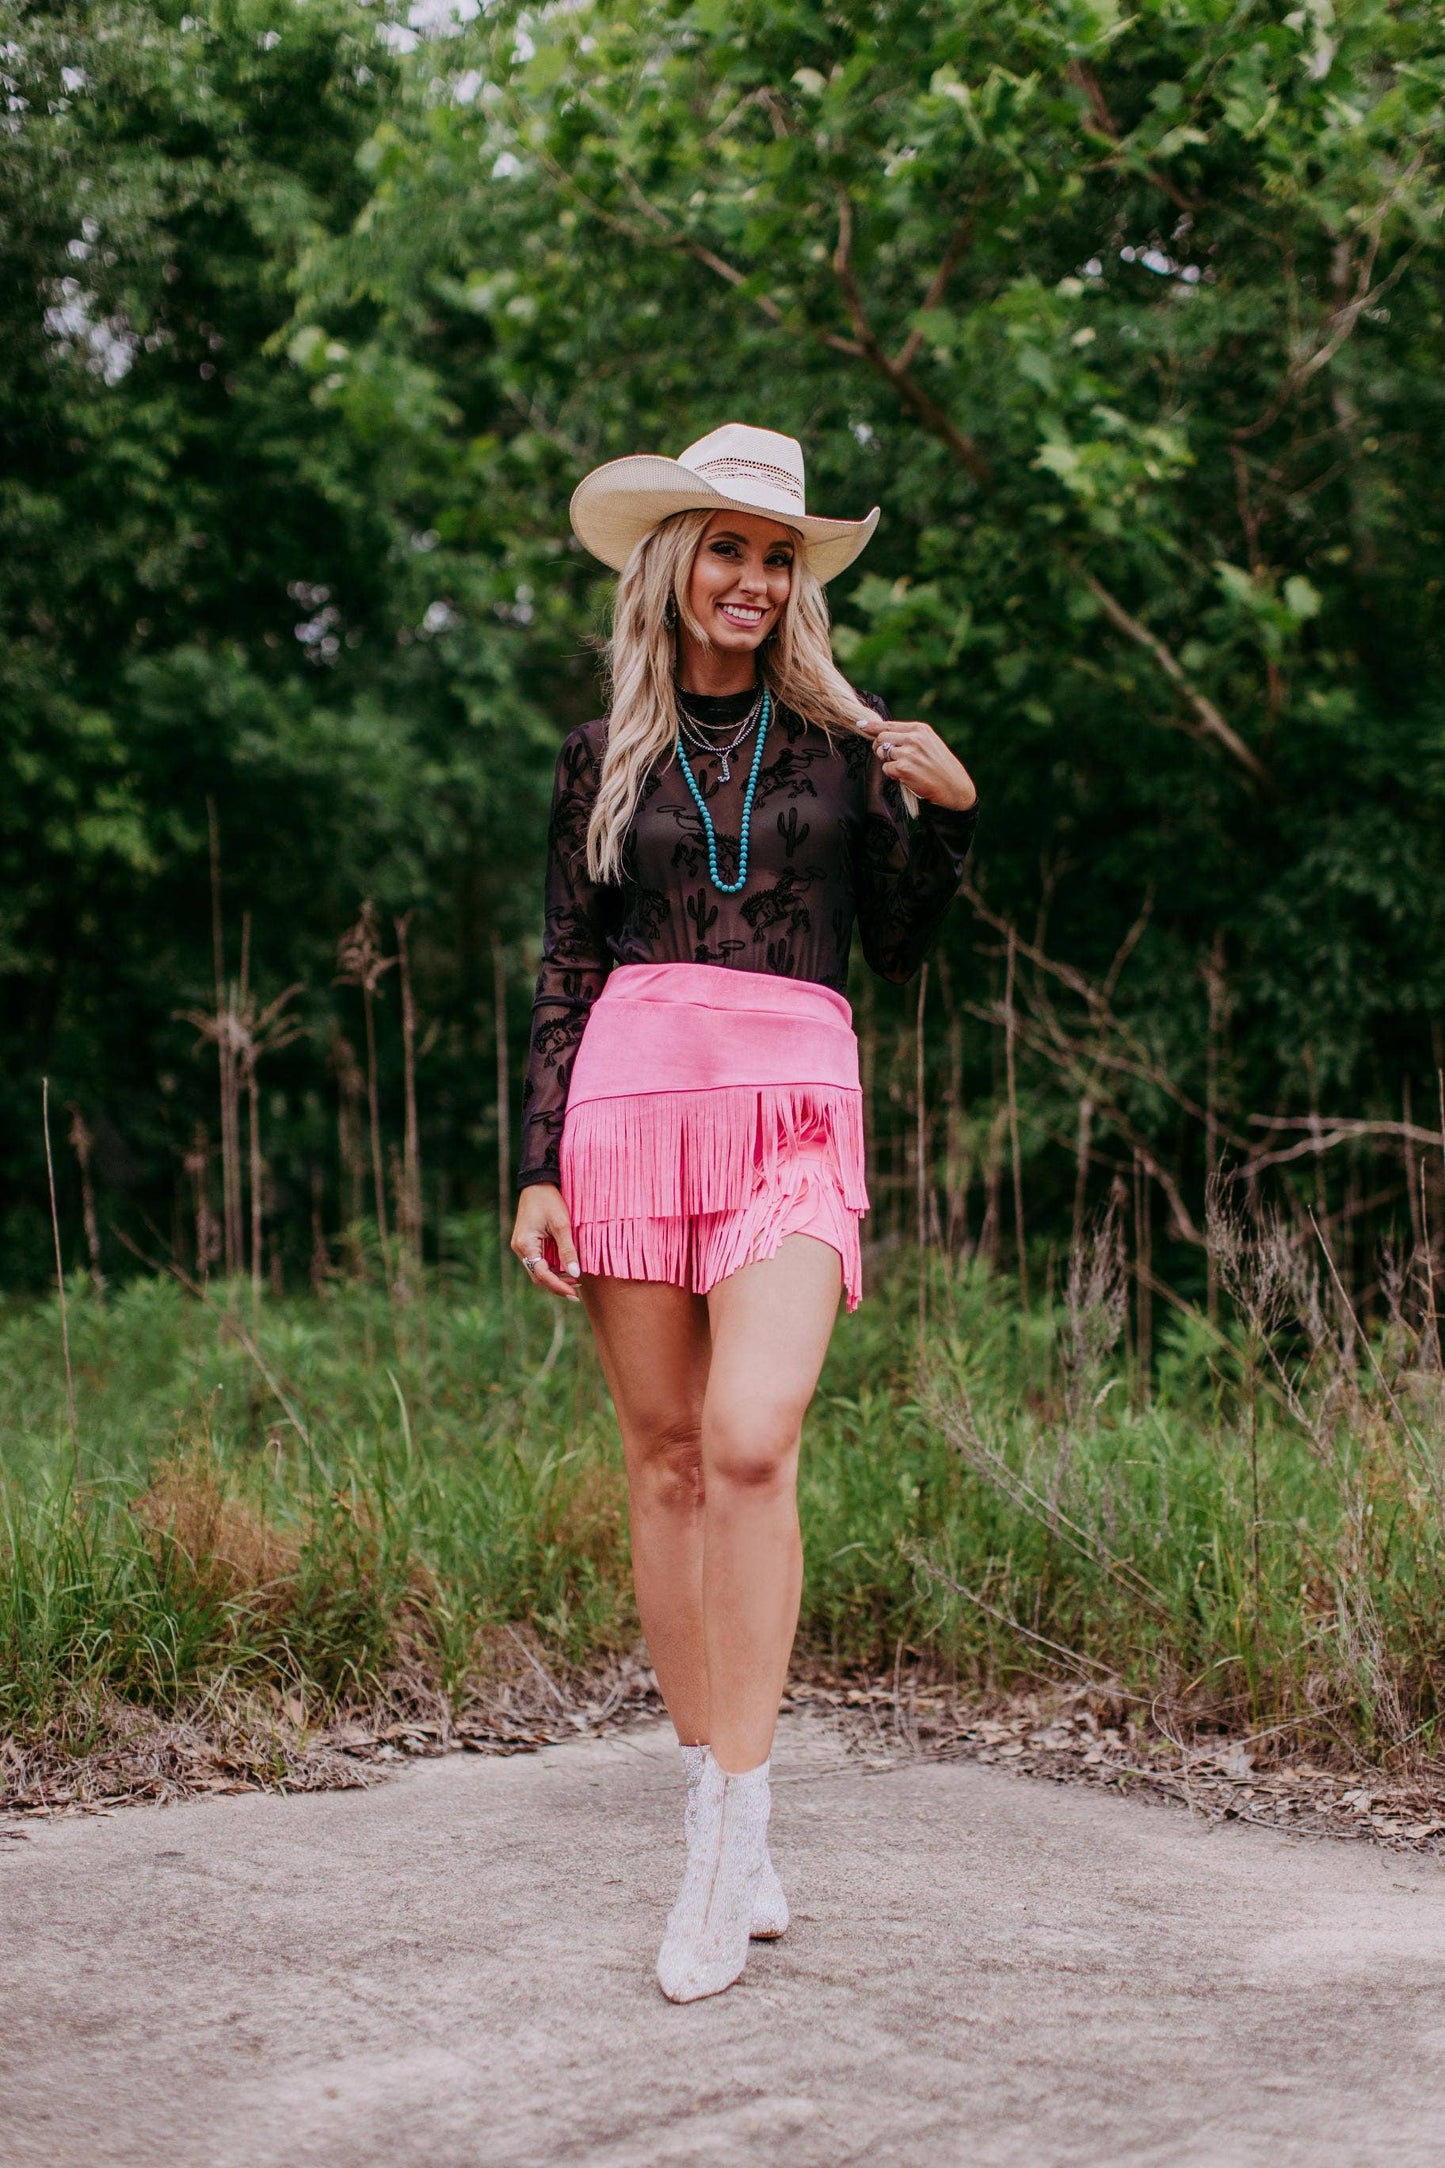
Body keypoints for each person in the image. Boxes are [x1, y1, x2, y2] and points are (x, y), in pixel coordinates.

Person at [511, 422, 978, 2003]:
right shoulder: (599, 758)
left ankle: (732, 1831)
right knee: (658, 1460)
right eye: (726, 549)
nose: (752, 579)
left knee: (749, 1441)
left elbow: (897, 951)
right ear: (672, 566)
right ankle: (713, 1790)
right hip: (628, 1109)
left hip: (792, 1100)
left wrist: (949, 817)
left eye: (776, 557)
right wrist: (536, 1165)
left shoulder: (845, 753)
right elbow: (566, 966)